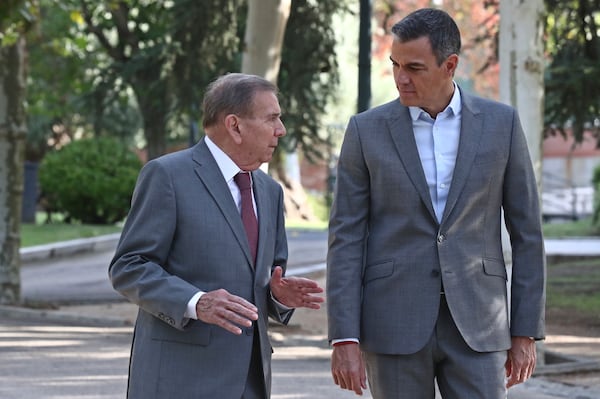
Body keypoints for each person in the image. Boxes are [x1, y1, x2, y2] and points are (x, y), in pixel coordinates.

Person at [326, 8, 545, 399]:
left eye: (414, 67)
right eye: (395, 64)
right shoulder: (365, 131)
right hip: (393, 324)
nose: (400, 78)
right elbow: (346, 237)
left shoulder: (501, 124)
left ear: (450, 65)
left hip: (480, 322)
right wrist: (344, 336)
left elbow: (527, 233)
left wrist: (525, 329)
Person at [109, 73, 324, 399]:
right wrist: (196, 302)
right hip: (179, 380)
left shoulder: (270, 191)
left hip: (251, 381)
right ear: (235, 126)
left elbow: (263, 283)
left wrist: (278, 296)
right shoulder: (167, 175)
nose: (281, 130)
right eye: (272, 119)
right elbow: (129, 266)